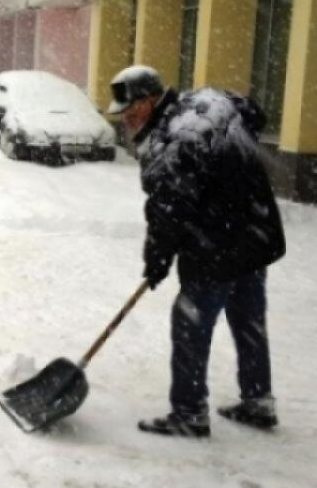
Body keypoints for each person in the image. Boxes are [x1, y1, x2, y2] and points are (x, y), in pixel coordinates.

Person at [107, 65, 285, 438]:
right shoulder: (206, 103)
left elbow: (167, 211)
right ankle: (258, 400)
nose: (127, 118)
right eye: (122, 113)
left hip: (216, 245)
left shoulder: (170, 141)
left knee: (190, 325)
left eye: (131, 108)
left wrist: (156, 262)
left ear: (151, 99)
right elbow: (253, 112)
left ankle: (189, 412)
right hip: (253, 233)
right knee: (247, 319)